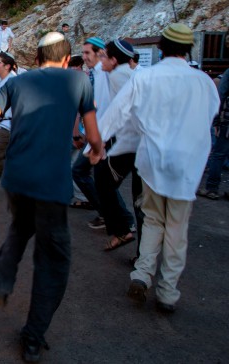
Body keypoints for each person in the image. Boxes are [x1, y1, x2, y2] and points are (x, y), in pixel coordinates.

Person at [0, 32, 102, 363]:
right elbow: (92, 134)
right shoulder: (78, 81)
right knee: (53, 261)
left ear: (36, 58)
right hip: (51, 186)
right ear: (67, 60)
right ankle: (33, 337)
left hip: (17, 178)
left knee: (21, 225)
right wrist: (96, 150)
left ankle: (3, 280)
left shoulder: (17, 83)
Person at [115, 24, 219, 313]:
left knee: (152, 220)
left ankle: (141, 274)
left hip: (153, 165)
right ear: (188, 50)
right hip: (185, 170)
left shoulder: (147, 77)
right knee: (176, 228)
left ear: (161, 47)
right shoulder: (203, 82)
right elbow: (209, 116)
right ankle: (168, 292)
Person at [94, 39, 143, 253]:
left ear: (114, 60)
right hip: (140, 144)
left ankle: (122, 229)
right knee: (140, 200)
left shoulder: (118, 75)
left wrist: (100, 141)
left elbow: (121, 111)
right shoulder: (129, 73)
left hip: (133, 144)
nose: (100, 59)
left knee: (103, 179)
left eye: (104, 56)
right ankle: (141, 254)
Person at [72, 36, 114, 230]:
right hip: (96, 135)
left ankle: (118, 219)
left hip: (105, 136)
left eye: (88, 52)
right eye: (83, 53)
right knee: (90, 174)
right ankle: (109, 214)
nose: (84, 57)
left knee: (94, 176)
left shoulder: (105, 74)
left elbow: (105, 106)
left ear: (100, 53)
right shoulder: (94, 74)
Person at [198, 67, 229, 200]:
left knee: (218, 154)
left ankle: (212, 188)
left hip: (227, 122)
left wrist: (215, 121)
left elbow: (220, 95)